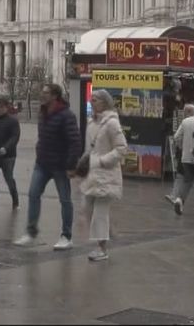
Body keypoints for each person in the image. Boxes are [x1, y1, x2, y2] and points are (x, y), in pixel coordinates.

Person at [15, 83, 81, 250]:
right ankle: (31, 233)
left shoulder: (66, 115)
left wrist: (71, 165)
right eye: (42, 92)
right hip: (42, 163)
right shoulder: (43, 113)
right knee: (33, 194)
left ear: (54, 96)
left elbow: (74, 141)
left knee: (65, 200)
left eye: (46, 93)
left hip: (60, 165)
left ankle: (66, 236)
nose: (42, 95)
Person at [79, 89, 128, 263]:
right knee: (87, 208)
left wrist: (103, 161)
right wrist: (83, 163)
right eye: (91, 99)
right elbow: (89, 149)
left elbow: (121, 148)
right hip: (92, 174)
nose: (92, 102)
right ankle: (108, 232)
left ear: (105, 102)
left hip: (106, 175)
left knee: (100, 212)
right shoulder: (91, 123)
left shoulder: (112, 123)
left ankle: (101, 247)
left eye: (96, 100)